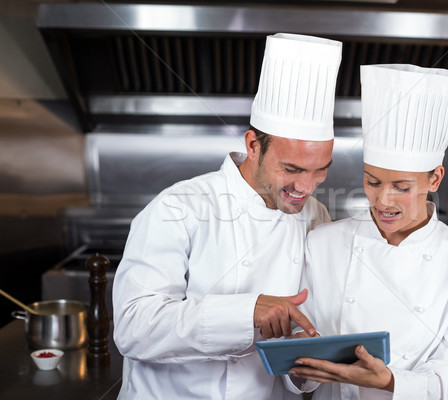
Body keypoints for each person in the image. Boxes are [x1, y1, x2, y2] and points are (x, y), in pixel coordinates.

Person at [112, 33, 342, 400]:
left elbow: (307, 330)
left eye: (320, 171)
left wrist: (305, 368)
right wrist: (246, 313)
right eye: (292, 169)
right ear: (253, 146)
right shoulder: (179, 207)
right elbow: (133, 327)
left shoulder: (316, 217)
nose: (307, 186)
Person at [289, 64, 448, 399]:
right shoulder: (323, 242)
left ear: (435, 178)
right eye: (372, 181)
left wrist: (389, 382)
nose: (383, 200)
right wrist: (298, 360)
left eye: (401, 187)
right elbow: (304, 365)